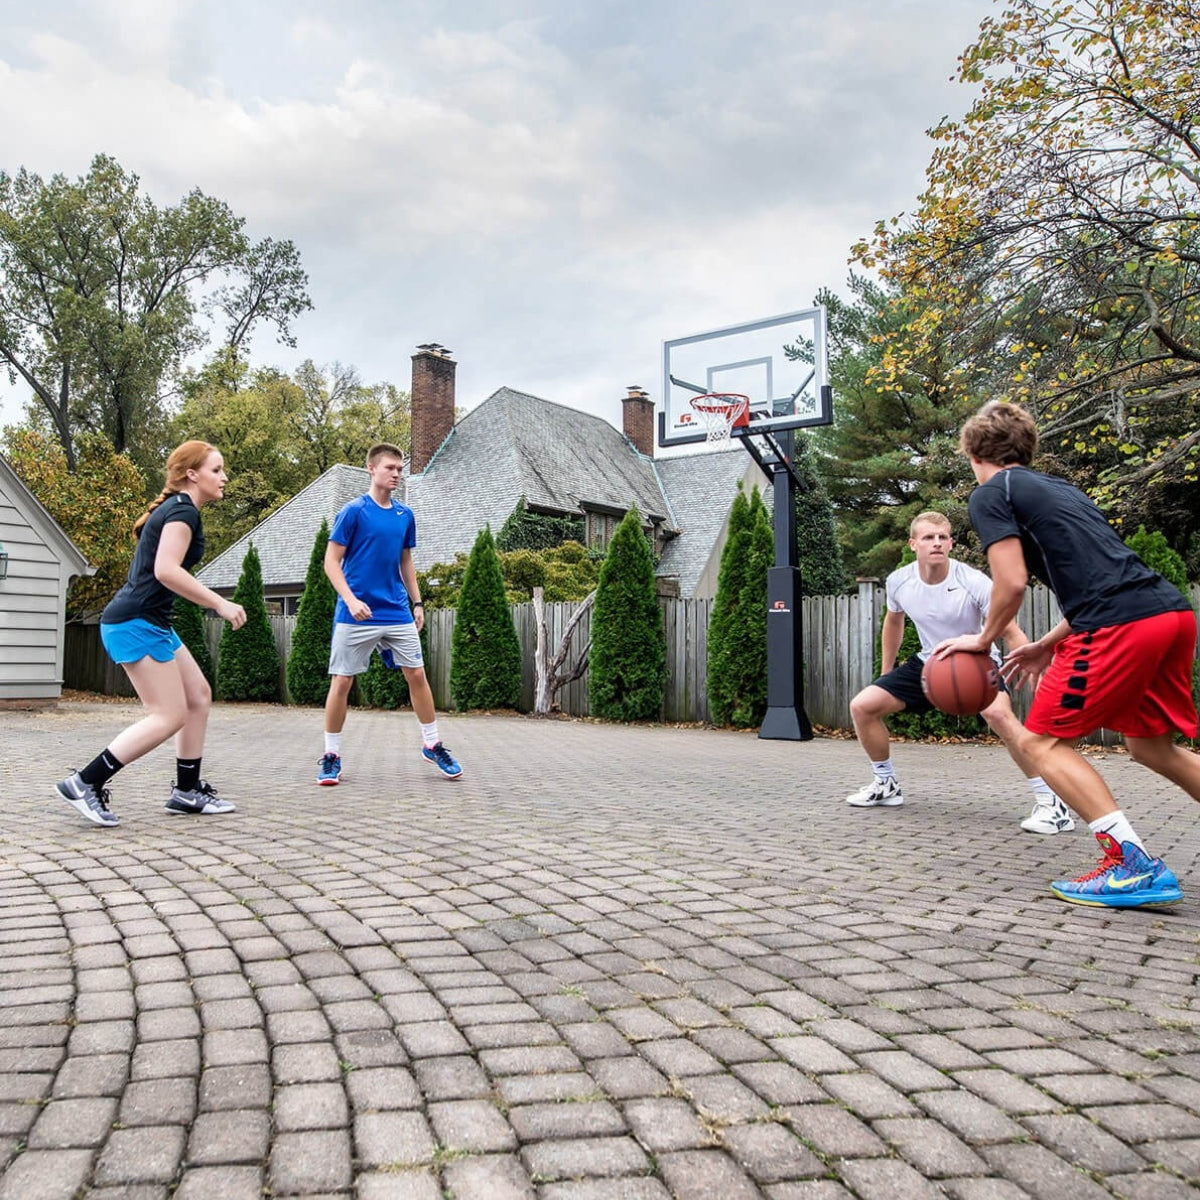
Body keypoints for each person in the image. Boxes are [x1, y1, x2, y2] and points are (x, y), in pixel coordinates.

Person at [937, 400, 1200, 908]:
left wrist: (983, 639)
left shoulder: (991, 492)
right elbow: (1100, 576)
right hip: (1167, 613)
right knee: (1151, 747)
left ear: (973, 453)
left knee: (1041, 743)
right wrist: (1046, 644)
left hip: (1117, 625)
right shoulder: (1060, 489)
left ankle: (1133, 867)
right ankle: (1133, 865)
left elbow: (1011, 581)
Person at [56, 441, 247, 826]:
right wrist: (219, 603)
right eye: (216, 470)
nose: (224, 477)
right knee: (168, 714)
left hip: (150, 621)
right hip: (135, 622)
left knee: (198, 696)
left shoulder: (179, 509)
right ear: (192, 474)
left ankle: (186, 792)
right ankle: (85, 782)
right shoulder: (182, 511)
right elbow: (166, 570)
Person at [845, 512, 1073, 833]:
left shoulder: (973, 581)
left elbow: (1009, 630)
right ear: (913, 544)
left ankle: (1052, 802)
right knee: (862, 706)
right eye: (928, 537)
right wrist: (886, 671)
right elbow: (893, 621)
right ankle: (886, 784)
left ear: (951, 543)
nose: (936, 543)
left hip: (977, 662)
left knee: (1000, 717)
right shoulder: (899, 581)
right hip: (930, 662)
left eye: (942, 537)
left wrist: (1030, 665)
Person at [317, 442, 462, 785]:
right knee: (342, 681)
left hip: (396, 610)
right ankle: (331, 755)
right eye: (390, 468)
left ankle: (432, 744)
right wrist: (350, 600)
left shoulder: (404, 516)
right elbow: (331, 562)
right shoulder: (353, 512)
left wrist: (417, 602)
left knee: (417, 674)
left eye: (399, 469)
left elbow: (405, 561)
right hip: (357, 612)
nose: (397, 474)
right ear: (371, 469)